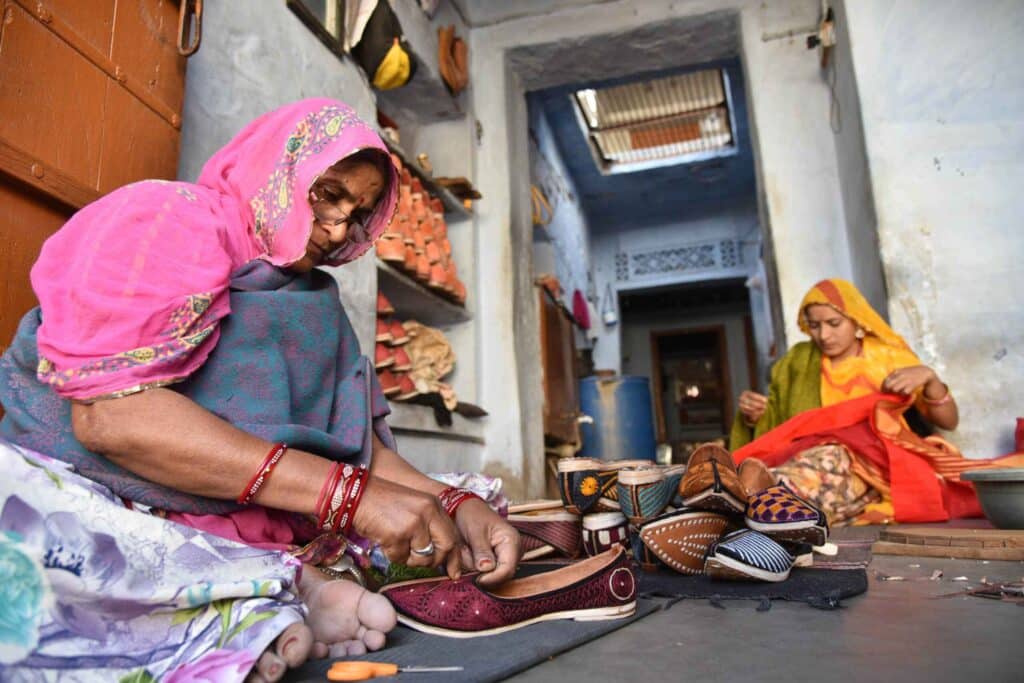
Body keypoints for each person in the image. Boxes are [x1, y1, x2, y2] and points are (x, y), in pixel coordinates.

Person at [0, 98, 519, 682]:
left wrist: (457, 505)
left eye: (360, 212)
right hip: (104, 483)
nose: (339, 226)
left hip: (238, 499)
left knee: (446, 506)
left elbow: (352, 454)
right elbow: (110, 420)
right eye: (329, 194)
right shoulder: (170, 219)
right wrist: (347, 499)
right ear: (280, 168)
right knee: (36, 535)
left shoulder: (313, 302)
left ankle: (263, 588)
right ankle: (281, 586)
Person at [729, 278, 1016, 525]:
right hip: (810, 455)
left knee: (821, 467)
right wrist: (757, 416)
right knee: (811, 478)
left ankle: (748, 501)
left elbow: (948, 422)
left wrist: (930, 378)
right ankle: (749, 503)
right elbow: (786, 428)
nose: (824, 335)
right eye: (814, 325)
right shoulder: (797, 361)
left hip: (879, 461)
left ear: (857, 322)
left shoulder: (887, 357)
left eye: (833, 323)